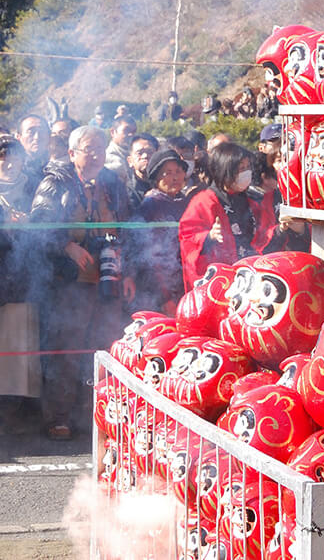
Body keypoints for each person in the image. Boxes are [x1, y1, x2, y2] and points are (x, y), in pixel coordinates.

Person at [29, 125, 130, 440]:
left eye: (101, 147)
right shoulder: (54, 181)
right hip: (69, 281)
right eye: (89, 148)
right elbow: (38, 223)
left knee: (105, 346)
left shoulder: (112, 183)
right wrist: (66, 245)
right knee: (66, 348)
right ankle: (59, 417)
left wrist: (129, 273)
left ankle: (97, 415)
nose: (97, 154)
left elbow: (129, 227)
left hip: (109, 277)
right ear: (72, 153)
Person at [177, 142, 275, 290]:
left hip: (250, 277)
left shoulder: (252, 200)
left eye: (248, 167)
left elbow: (264, 235)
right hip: (220, 282)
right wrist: (208, 237)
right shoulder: (204, 201)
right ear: (225, 170)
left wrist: (281, 230)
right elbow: (188, 237)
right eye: (241, 168)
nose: (246, 172)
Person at [130, 150, 193, 314]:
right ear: (156, 178)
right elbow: (149, 257)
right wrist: (164, 297)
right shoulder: (150, 206)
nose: (175, 178)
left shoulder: (185, 203)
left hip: (184, 285)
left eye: (178, 172)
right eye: (168, 173)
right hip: (159, 290)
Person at [0, 136, 34, 219]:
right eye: (5, 160)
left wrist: (28, 220)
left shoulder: (33, 186)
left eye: (15, 160)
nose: (10, 166)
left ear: (22, 162)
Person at [124, 133, 160, 208]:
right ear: (130, 161)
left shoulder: (167, 185)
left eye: (150, 152)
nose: (145, 156)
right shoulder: (125, 191)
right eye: (139, 153)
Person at [104, 116, 137, 185]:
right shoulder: (107, 158)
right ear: (113, 132)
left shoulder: (136, 155)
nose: (131, 134)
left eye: (133, 132)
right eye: (126, 130)